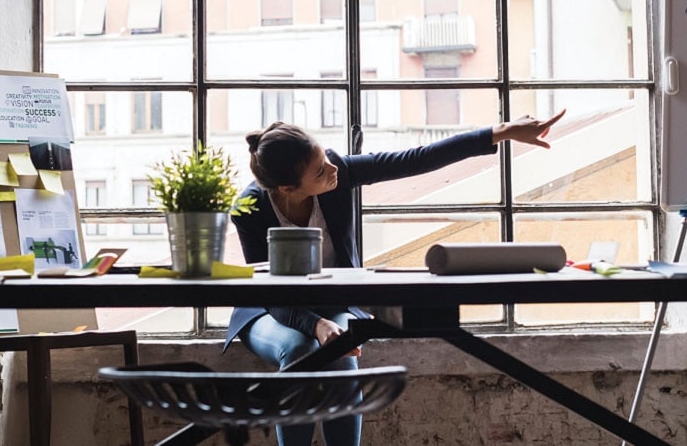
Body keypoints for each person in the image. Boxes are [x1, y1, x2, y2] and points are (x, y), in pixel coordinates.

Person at [224, 110, 566, 446]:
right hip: (271, 311)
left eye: (325, 156)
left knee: (342, 356)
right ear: (287, 187)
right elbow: (270, 291)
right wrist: (315, 325)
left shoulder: (336, 171)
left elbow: (412, 159)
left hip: (334, 302)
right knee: (300, 352)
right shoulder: (251, 208)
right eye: (319, 170)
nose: (332, 167)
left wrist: (502, 132)